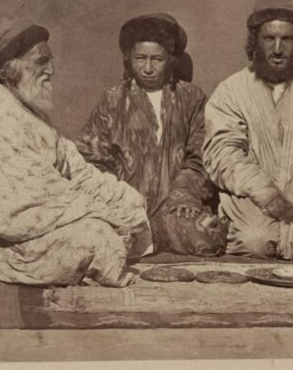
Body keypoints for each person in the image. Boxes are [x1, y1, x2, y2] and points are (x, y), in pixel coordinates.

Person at [0, 16, 151, 287]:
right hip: (2, 247)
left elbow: (79, 173)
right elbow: (34, 202)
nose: (51, 70)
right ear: (8, 70)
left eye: (50, 60)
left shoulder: (35, 118)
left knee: (130, 206)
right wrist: (104, 212)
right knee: (96, 237)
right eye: (41, 62)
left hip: (40, 226)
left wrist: (123, 201)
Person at [203, 0, 293, 259]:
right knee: (255, 242)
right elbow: (223, 152)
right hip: (251, 198)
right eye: (269, 38)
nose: (277, 49)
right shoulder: (231, 90)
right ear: (255, 42)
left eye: (286, 39)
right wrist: (266, 193)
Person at [77, 14, 227, 256]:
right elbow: (91, 158)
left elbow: (202, 154)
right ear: (129, 59)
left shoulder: (191, 97)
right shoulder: (113, 100)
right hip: (124, 205)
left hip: (175, 206)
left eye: (157, 59)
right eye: (140, 58)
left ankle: (151, 237)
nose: (148, 68)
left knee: (207, 236)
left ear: (170, 59)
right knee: (90, 239)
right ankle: (143, 236)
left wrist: (184, 193)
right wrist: (117, 198)